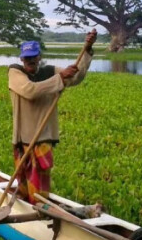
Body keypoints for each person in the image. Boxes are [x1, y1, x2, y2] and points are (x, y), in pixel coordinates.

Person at [8, 37, 101, 215]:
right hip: (22, 139)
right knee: (23, 185)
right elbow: (31, 91)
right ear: (22, 58)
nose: (30, 61)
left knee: (39, 189)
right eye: (27, 57)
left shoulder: (49, 71)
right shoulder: (15, 72)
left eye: (33, 57)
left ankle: (45, 212)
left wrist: (87, 49)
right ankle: (25, 206)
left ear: (39, 57)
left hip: (42, 139)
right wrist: (60, 78)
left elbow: (76, 77)